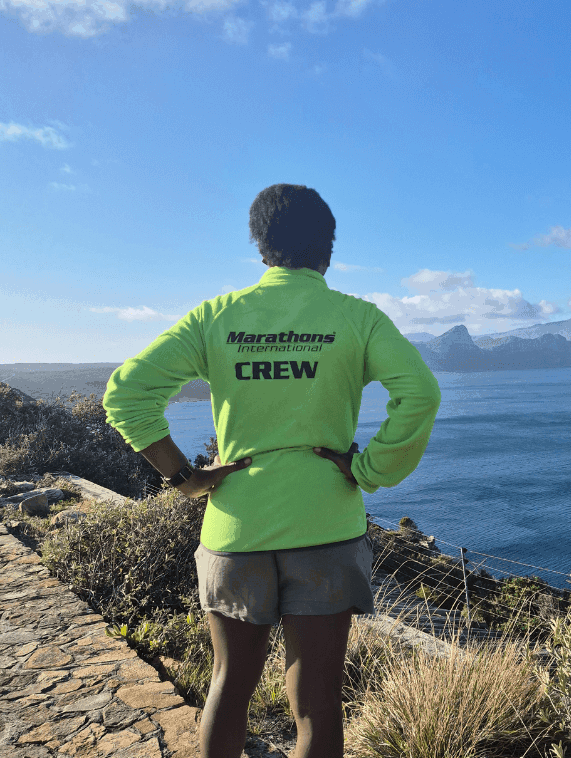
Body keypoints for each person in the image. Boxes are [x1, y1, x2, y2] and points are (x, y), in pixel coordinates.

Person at [102, 183, 442, 758]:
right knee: (317, 701)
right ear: (328, 250)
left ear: (260, 248)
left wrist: (185, 479)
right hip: (326, 525)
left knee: (230, 685)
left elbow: (126, 392)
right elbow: (421, 394)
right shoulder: (357, 318)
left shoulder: (216, 317)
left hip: (236, 528)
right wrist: (370, 468)